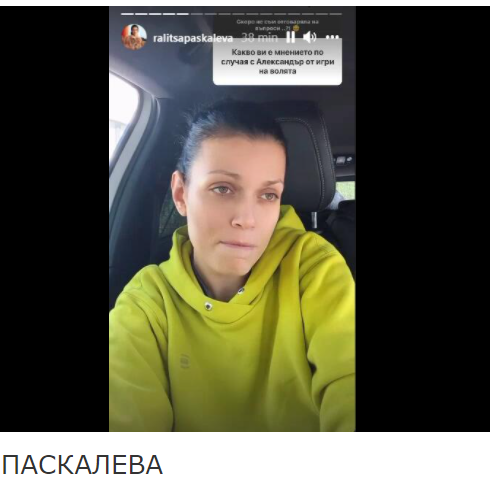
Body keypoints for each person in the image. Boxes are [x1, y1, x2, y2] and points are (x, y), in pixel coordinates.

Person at [109, 99, 355, 432]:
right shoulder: (145, 304)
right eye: (222, 188)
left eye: (268, 195)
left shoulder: (313, 268)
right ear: (181, 194)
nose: (246, 219)